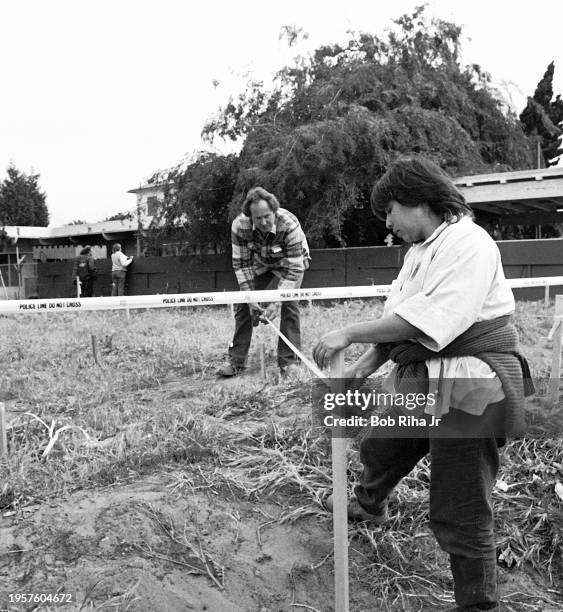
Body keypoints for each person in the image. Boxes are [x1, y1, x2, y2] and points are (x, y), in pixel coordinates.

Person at [312, 157, 533, 612]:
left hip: (472, 380)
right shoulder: (419, 251)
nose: (388, 224)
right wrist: (365, 365)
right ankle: (369, 504)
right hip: (427, 374)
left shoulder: (470, 243)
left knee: (460, 508)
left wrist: (351, 332)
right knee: (381, 444)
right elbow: (404, 321)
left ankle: (479, 604)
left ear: (418, 200)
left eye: (390, 210)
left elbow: (437, 320)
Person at [218, 186, 310, 378]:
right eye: (257, 218)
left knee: (289, 305)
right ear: (250, 216)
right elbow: (242, 265)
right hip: (261, 262)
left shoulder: (289, 224)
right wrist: (252, 300)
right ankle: (236, 361)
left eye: (267, 216)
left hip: (291, 264)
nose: (263, 222)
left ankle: (289, 363)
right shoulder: (240, 226)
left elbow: (294, 268)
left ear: (274, 211)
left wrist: (277, 301)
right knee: (243, 304)